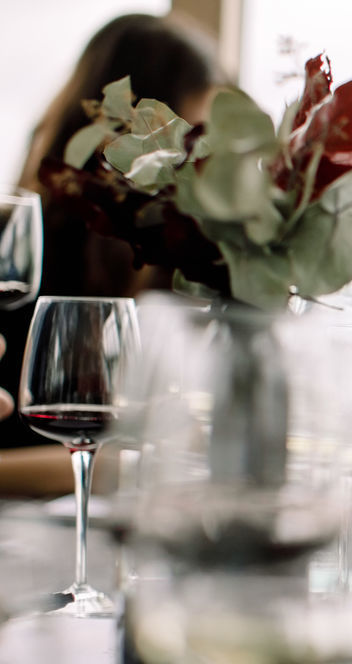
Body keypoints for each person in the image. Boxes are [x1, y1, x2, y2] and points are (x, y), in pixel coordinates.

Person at [0, 13, 224, 495]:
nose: (199, 163)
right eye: (191, 137)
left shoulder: (172, 260)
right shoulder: (17, 258)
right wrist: (125, 466)